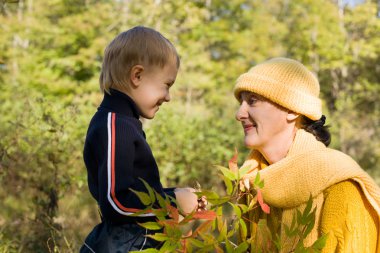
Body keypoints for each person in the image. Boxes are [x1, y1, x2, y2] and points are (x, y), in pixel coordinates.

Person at [233, 57, 380, 252]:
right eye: (241, 102)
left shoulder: (341, 188)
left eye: (253, 101)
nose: (239, 113)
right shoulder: (251, 184)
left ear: (292, 109)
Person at [80, 26, 203, 253]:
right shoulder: (115, 125)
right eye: (167, 85)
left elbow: (135, 192)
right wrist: (172, 202)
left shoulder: (124, 122)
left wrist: (179, 195)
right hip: (124, 243)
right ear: (137, 75)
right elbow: (116, 202)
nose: (168, 97)